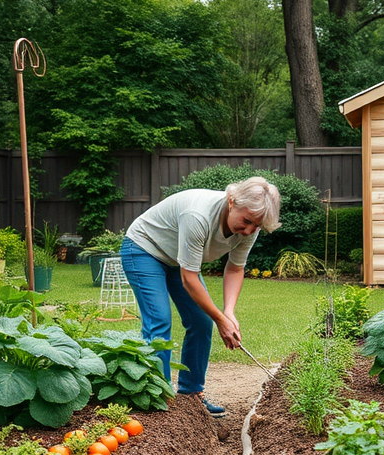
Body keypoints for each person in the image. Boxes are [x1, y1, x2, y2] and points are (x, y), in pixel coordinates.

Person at [120, 176, 281, 417]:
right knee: (160, 322)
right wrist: (220, 319)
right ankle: (159, 398)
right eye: (246, 221)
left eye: (255, 226)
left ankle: (192, 393)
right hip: (144, 249)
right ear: (231, 201)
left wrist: (227, 313)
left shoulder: (250, 225)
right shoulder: (198, 216)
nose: (248, 230)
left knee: (201, 321)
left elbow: (235, 268)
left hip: (177, 258)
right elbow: (189, 278)